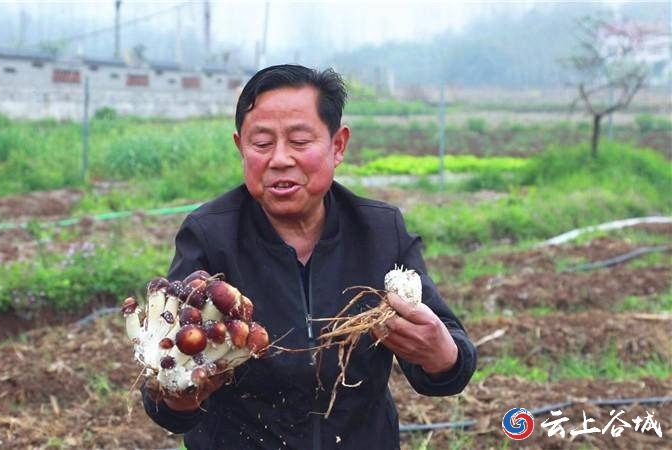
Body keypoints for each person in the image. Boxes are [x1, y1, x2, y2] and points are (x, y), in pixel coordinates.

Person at [143, 64, 476, 449]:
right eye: (262, 143)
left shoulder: (380, 232)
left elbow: (448, 363)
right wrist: (178, 394)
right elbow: (165, 386)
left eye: (300, 141)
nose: (280, 159)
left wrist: (442, 354)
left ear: (338, 146)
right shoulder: (210, 236)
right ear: (240, 148)